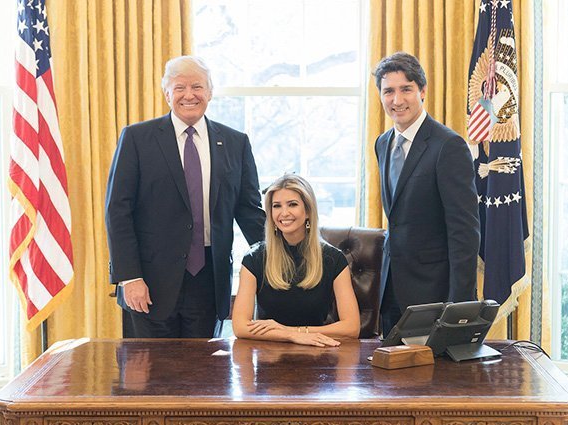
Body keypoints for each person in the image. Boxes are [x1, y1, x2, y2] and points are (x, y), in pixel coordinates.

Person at [105, 55, 266, 338]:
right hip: (148, 283)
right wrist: (130, 277)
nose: (189, 95)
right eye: (179, 88)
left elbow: (249, 211)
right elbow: (118, 212)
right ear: (167, 93)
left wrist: (283, 257)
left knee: (205, 365)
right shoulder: (137, 138)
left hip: (209, 281)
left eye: (197, 87)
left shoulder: (235, 143)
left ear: (210, 92)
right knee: (148, 367)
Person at [373, 52, 480, 337]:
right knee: (392, 365)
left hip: (434, 294)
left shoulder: (448, 146)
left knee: (431, 367)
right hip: (390, 291)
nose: (397, 100)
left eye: (406, 89)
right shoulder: (382, 144)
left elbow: (464, 231)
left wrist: (460, 306)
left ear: (422, 91)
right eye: (388, 91)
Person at [232, 174, 360, 347]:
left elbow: (352, 327)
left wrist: (293, 331)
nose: (284, 213)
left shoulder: (333, 259)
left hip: (318, 352)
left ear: (308, 211)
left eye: (292, 204)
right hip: (269, 354)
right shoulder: (254, 258)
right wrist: (290, 336)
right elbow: (240, 327)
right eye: (277, 206)